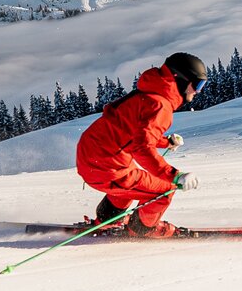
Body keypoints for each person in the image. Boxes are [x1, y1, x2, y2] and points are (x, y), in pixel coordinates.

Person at [74, 52, 206, 238]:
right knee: (165, 190)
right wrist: (175, 176)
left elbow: (134, 133)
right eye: (197, 85)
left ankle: (106, 220)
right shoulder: (161, 105)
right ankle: (141, 229)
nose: (197, 91)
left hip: (91, 156)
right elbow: (141, 147)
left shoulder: (148, 94)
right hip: (106, 166)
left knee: (130, 185)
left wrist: (165, 142)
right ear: (180, 80)